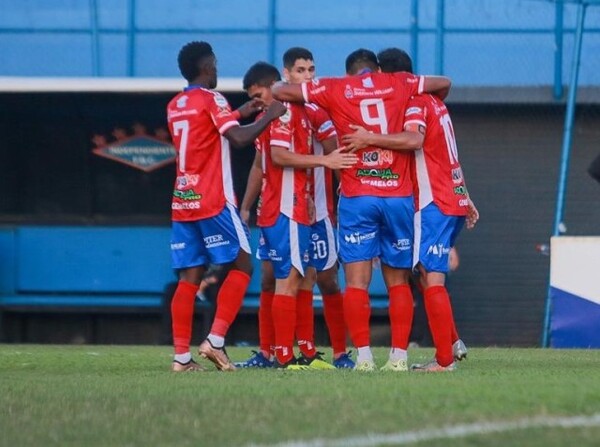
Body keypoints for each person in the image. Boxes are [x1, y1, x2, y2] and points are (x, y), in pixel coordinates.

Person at [272, 48, 451, 371]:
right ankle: (398, 357)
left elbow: (279, 90)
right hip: (397, 195)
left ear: (349, 71)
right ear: (378, 69)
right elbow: (443, 83)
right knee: (398, 281)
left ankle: (365, 357)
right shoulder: (401, 83)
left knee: (356, 282)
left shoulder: (335, 87)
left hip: (357, 196)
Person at [341, 47, 478, 371]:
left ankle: (444, 360)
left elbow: (414, 140)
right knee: (421, 272)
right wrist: (466, 196)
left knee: (431, 279)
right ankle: (452, 342)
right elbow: (444, 153)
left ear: (390, 78)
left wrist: (370, 138)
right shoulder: (437, 103)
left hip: (434, 201)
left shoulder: (415, 103)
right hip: (451, 196)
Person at [166, 41, 287, 372]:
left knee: (189, 278)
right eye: (216, 65)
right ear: (207, 67)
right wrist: (269, 115)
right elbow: (239, 139)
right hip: (213, 199)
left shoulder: (176, 104)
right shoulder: (212, 98)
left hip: (183, 199)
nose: (217, 70)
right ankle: (215, 341)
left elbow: (204, 133)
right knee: (243, 266)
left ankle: (181, 358)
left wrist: (237, 114)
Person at [237, 48, 355, 369]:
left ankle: (314, 353)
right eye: (300, 70)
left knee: (315, 278)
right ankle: (279, 355)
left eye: (311, 70)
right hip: (286, 209)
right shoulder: (280, 112)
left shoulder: (313, 109)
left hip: (313, 208)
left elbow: (335, 148)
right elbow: (268, 161)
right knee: (281, 279)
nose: (307, 76)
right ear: (286, 75)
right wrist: (246, 206)